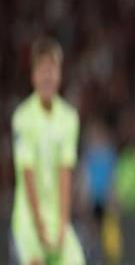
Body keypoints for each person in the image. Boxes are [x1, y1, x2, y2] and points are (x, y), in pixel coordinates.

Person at [11, 37, 85, 265]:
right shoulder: (22, 118)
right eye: (42, 70)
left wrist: (62, 225)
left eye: (52, 70)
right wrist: (40, 228)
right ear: (33, 76)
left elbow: (65, 173)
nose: (47, 76)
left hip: (57, 219)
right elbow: (27, 173)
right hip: (29, 219)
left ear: (60, 75)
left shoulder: (69, 118)